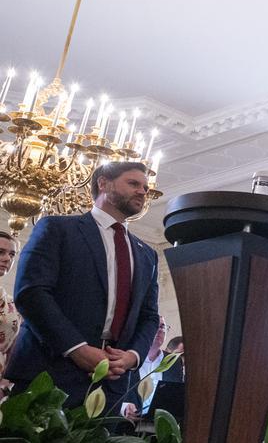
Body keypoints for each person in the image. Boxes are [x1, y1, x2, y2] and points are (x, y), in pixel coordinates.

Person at [6, 162, 159, 418]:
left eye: (145, 187)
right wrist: (77, 349)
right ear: (103, 183)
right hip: (51, 373)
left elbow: (149, 315)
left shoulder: (147, 254)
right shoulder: (57, 229)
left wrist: (132, 356)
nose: (143, 191)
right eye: (133, 183)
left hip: (112, 385)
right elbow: (32, 293)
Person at [0, 231, 21, 399]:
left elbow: (13, 349)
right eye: (1, 252)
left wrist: (6, 382)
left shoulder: (12, 304)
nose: (7, 259)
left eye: (12, 254)